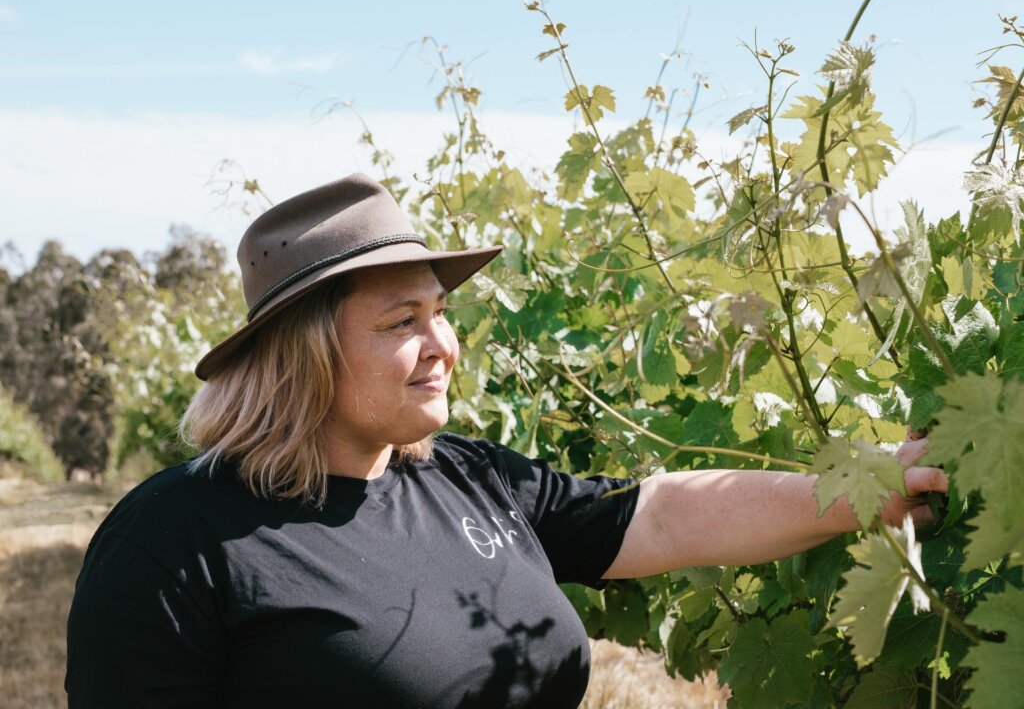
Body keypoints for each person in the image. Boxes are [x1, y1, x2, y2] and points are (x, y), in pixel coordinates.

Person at [65, 173, 946, 708]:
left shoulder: (466, 477)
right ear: (305, 354)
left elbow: (662, 516)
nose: (443, 346)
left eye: (440, 313)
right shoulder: (174, 544)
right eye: (402, 322)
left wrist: (866, 490)